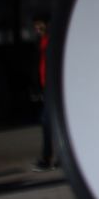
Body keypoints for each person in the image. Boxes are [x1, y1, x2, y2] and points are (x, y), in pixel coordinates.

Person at [32, 19, 57, 170]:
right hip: (47, 86)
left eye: (40, 25)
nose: (37, 29)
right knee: (49, 121)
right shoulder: (42, 42)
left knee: (47, 120)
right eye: (35, 26)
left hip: (53, 87)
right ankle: (52, 157)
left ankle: (47, 158)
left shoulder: (51, 42)